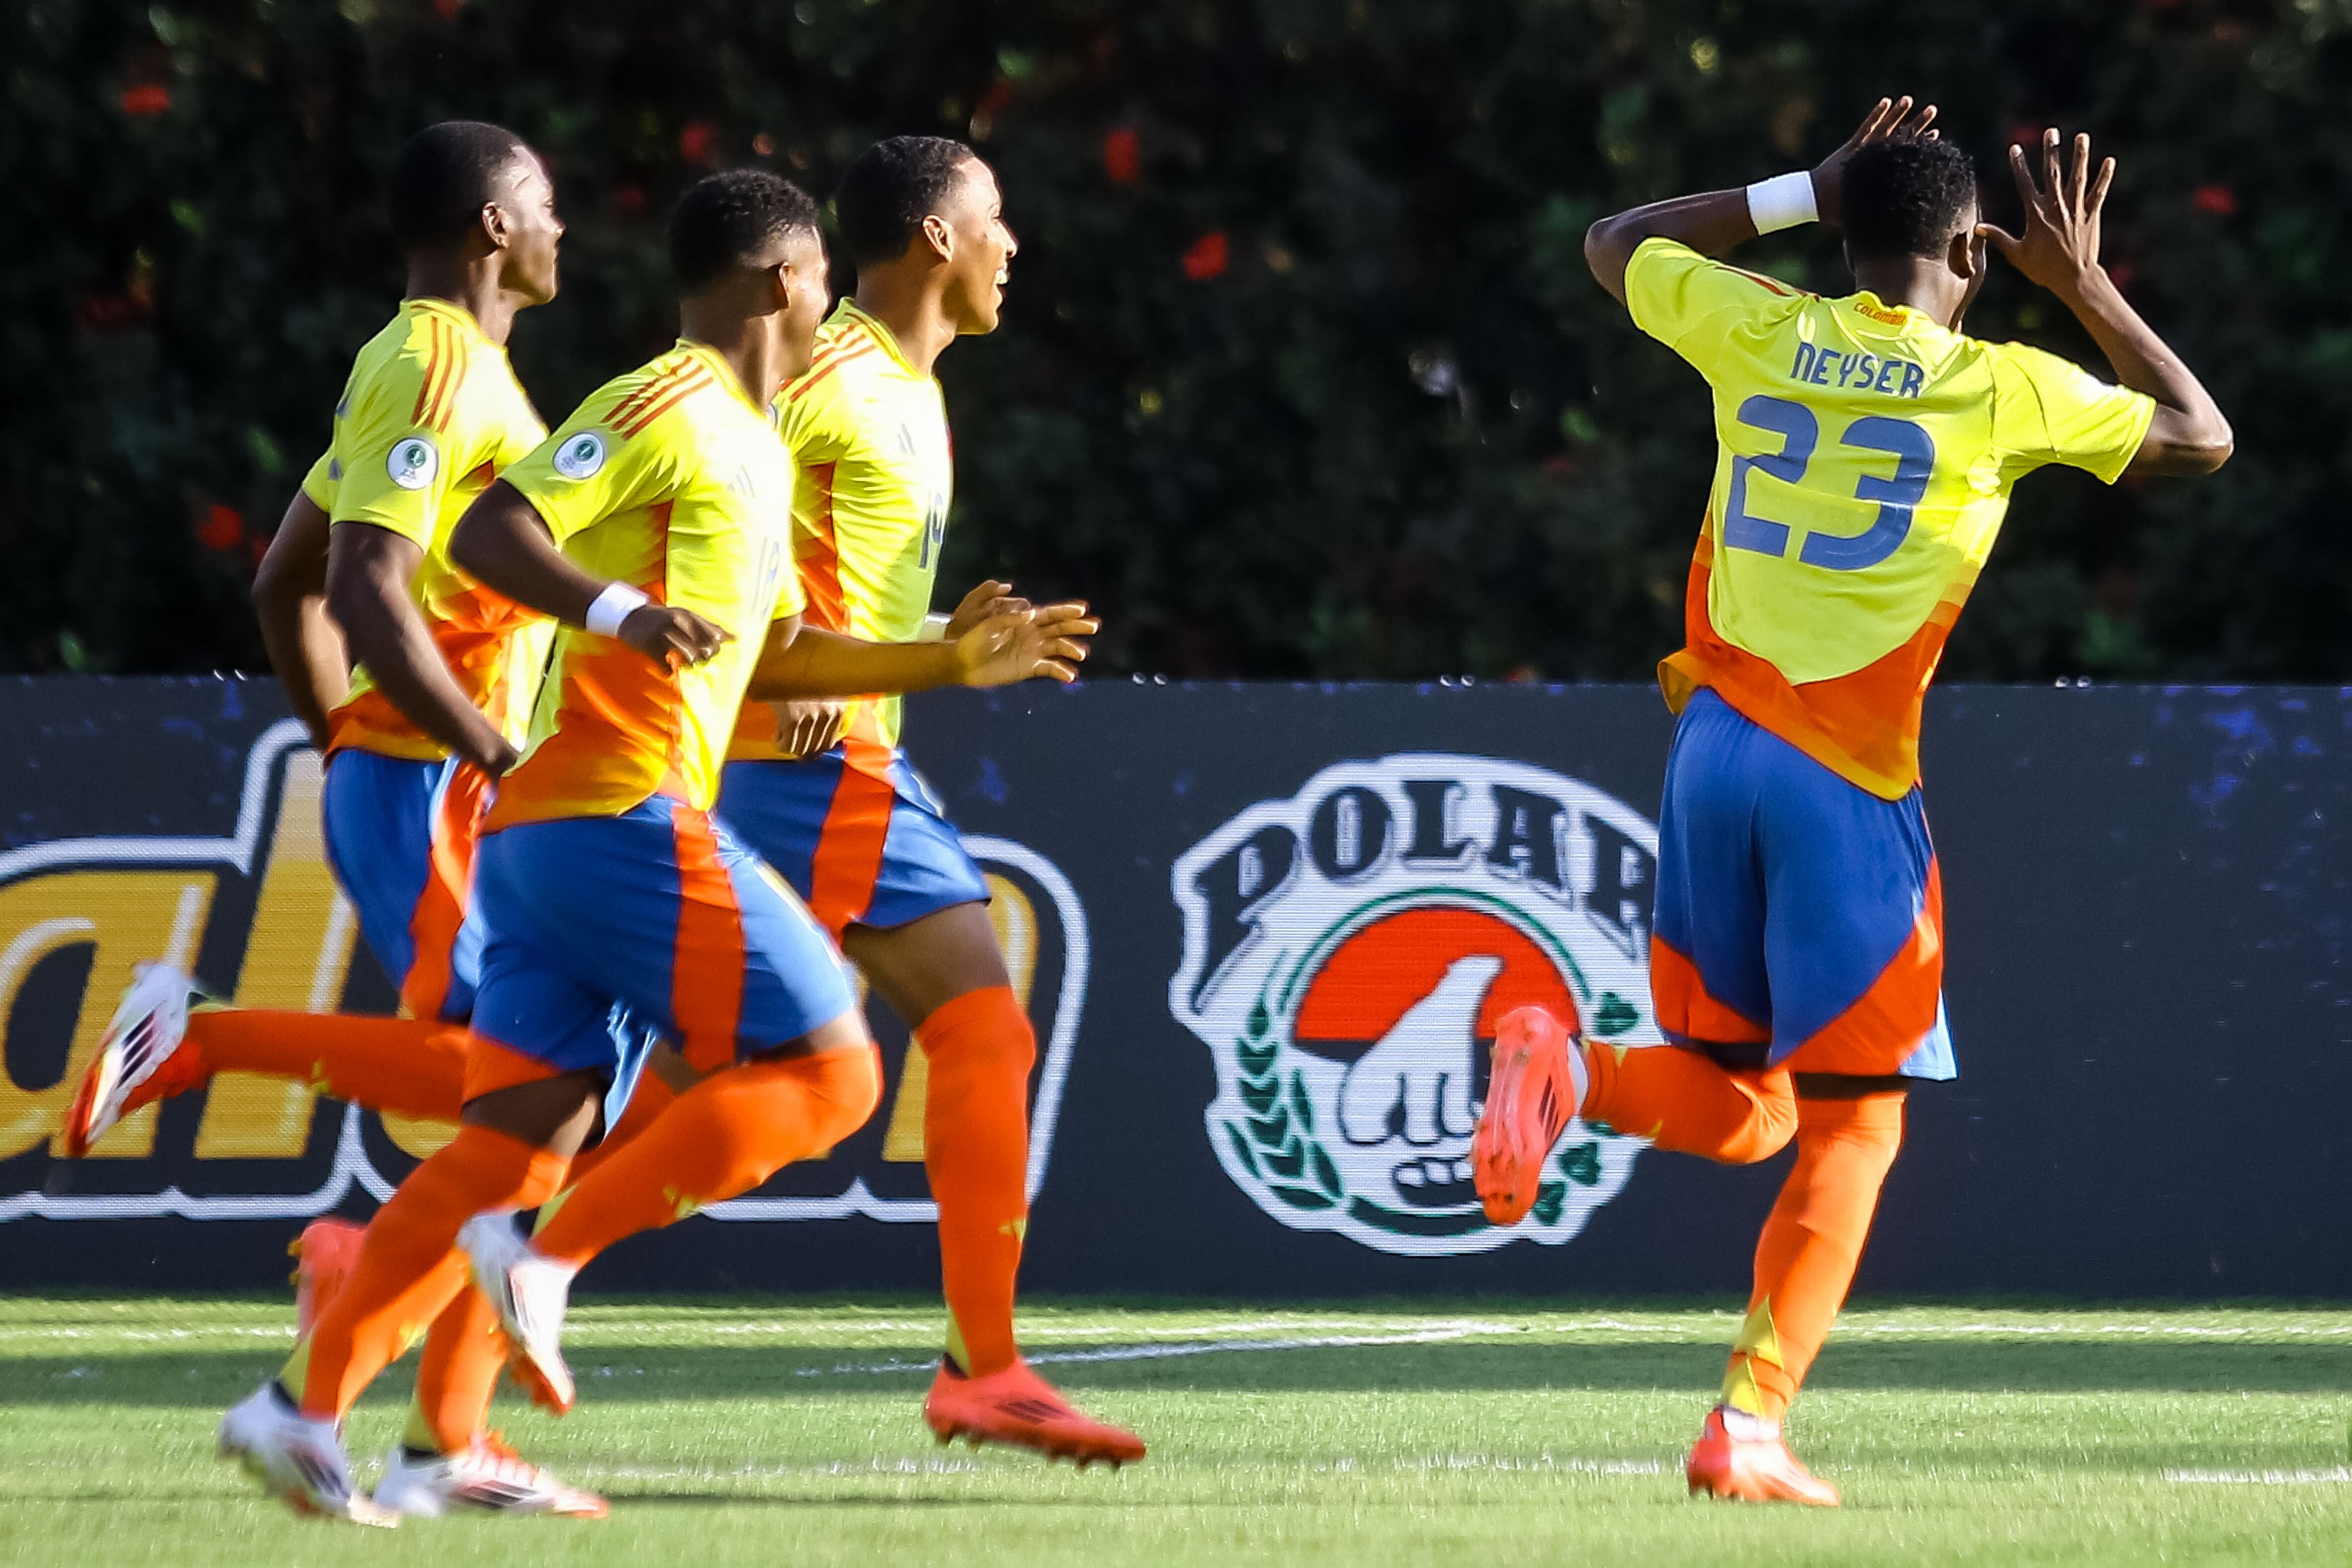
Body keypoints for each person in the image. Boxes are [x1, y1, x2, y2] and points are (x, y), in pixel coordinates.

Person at [215, 168, 1090, 1524]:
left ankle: (342, 1410)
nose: (829, 304)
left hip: (583, 818)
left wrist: (932, 661)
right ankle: (557, 1265)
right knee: (848, 1068)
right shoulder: (704, 400)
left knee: (523, 1131)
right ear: (785, 282)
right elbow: (500, 528)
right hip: (637, 806)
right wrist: (639, 626)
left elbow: (762, 640)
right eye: (814, 279)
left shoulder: (771, 422)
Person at [1473, 97, 2230, 1505]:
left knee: (1749, 1106)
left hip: (1711, 750)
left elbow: (1611, 239)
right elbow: (2199, 438)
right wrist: (2090, 286)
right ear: (1973, 251)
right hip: (1844, 778)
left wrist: (1794, 191)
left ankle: (1565, 1065)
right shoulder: (2002, 385)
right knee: (1856, 1127)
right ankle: (1747, 1420)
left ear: (1850, 237)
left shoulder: (1761, 326)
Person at [64, 119, 608, 1518]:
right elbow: (363, 585)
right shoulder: (433, 359)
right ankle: (201, 1039)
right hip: (442, 782)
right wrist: (471, 749)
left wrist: (353, 741)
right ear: (494, 226)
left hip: (416, 777)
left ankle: (434, 1423)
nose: (563, 230)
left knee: (528, 1104)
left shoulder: (430, 368)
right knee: (535, 1092)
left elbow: (280, 581)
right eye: (545, 206)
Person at [714, 135, 1144, 1466]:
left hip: (826, 755)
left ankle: (408, 1250)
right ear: (937, 240)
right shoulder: (824, 381)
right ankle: (983, 1364)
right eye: (995, 218)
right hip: (801, 765)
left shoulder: (904, 389)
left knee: (620, 1079)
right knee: (978, 1030)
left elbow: (830, 584)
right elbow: (708, 519)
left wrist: (940, 632)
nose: (1014, 243)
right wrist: (762, 660)